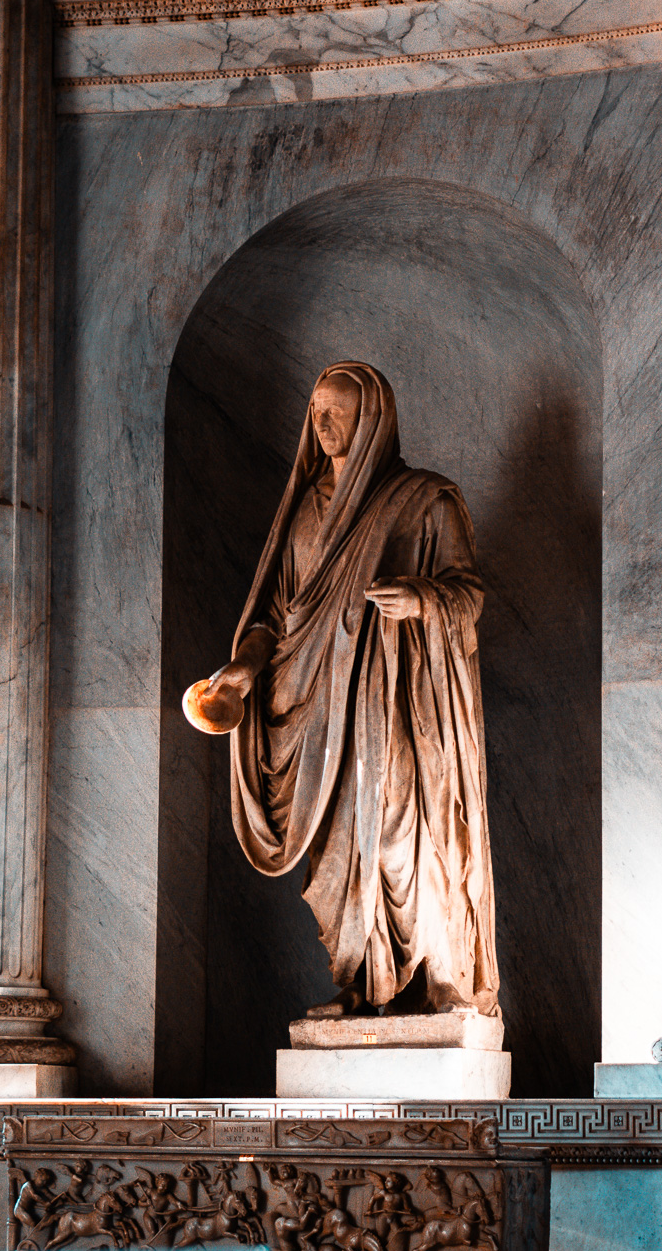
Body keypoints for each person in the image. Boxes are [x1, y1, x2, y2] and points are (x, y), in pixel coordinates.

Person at [200, 361, 499, 1017]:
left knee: (399, 838)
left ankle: (425, 984)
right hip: (316, 715)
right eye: (316, 411)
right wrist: (246, 670)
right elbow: (276, 617)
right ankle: (364, 987)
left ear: (374, 421)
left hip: (395, 708)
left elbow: (468, 593)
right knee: (338, 855)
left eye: (338, 411)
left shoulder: (426, 499)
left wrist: (423, 599)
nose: (324, 424)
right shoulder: (304, 509)